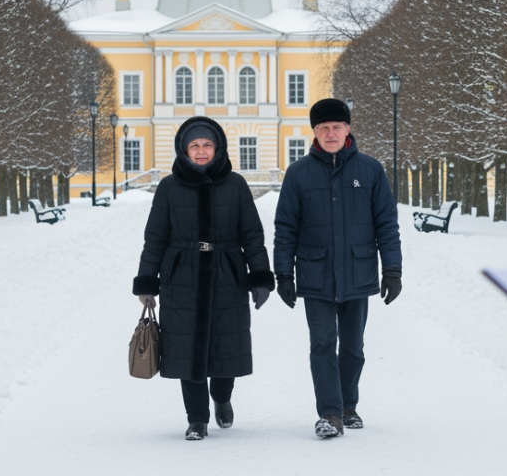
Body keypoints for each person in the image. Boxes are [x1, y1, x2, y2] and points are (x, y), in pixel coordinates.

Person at [133, 116, 275, 441]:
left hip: (227, 273)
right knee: (187, 347)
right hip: (182, 274)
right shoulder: (169, 187)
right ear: (184, 150)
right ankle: (196, 418)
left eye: (206, 145)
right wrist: (147, 282)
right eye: (194, 146)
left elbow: (252, 234)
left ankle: (222, 396)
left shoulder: (236, 184)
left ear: (217, 148)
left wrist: (260, 277)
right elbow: (155, 236)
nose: (200, 152)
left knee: (227, 343)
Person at [273, 98, 402, 438]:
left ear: (348, 129)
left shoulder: (370, 170)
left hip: (358, 272)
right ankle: (329, 413)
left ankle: (348, 405)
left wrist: (392, 269)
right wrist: (283, 274)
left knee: (353, 346)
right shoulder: (298, 174)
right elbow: (285, 227)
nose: (330, 133)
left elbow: (386, 224)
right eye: (323, 128)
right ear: (314, 132)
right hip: (315, 274)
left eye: (336, 127)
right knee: (322, 344)